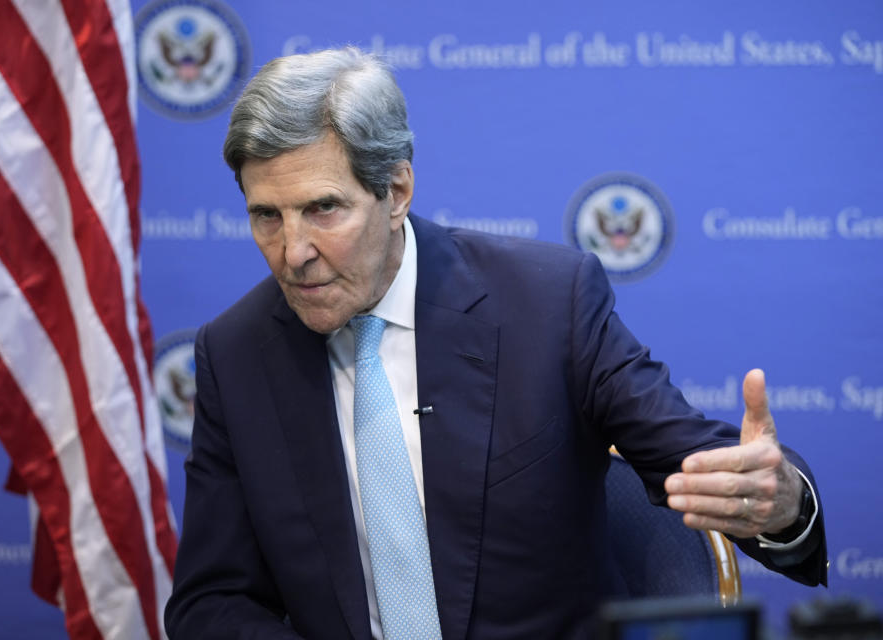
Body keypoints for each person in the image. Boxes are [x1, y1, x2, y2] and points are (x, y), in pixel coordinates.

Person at [164, 47, 826, 639]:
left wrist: (783, 503)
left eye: (323, 209)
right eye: (265, 217)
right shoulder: (235, 353)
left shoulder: (546, 304)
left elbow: (696, 460)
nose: (293, 253)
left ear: (396, 190)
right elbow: (211, 600)